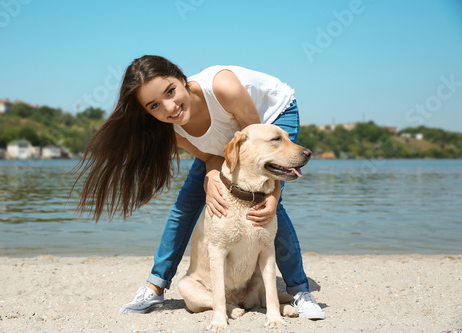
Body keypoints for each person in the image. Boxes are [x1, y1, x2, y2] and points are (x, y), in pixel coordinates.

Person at [74, 55, 325, 320]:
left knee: (265, 205)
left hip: (269, 121)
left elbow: (254, 144)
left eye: (171, 91)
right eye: (155, 106)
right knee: (185, 206)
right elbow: (211, 156)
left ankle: (299, 290)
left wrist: (274, 195)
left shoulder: (222, 87)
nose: (170, 108)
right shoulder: (172, 130)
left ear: (183, 78)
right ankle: (155, 286)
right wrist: (211, 176)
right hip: (228, 144)